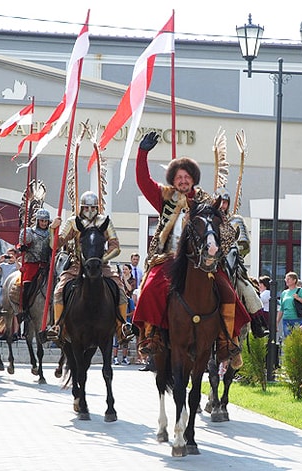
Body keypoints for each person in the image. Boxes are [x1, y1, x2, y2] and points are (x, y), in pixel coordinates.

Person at [132, 131, 250, 368]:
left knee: (227, 292)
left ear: (193, 178)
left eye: (186, 177)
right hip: (168, 257)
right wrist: (142, 153)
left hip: (200, 260)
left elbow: (223, 229)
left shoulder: (206, 200)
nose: (183, 180)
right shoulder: (165, 196)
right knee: (152, 287)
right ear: (172, 180)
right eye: (178, 177)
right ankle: (151, 335)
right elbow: (143, 181)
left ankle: (228, 340)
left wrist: (218, 249)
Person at [47, 191, 133, 344]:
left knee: (120, 289)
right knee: (59, 290)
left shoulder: (104, 221)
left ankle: (122, 328)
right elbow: (55, 244)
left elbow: (115, 247)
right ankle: (58, 326)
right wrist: (53, 229)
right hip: (77, 265)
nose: (90, 211)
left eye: (93, 207)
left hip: (101, 265)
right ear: (81, 208)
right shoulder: (74, 222)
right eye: (86, 208)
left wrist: (100, 259)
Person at [217, 188, 268, 338]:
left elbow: (245, 245)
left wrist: (231, 249)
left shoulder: (236, 220)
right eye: (219, 203)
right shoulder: (210, 221)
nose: (222, 206)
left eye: (225, 203)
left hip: (233, 267)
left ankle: (258, 324)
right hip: (212, 266)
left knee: (248, 291)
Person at [16, 208, 51, 321]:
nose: (44, 223)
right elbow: (20, 245)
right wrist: (22, 247)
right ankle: (25, 310)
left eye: (46, 221)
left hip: (46, 264)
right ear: (37, 221)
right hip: (32, 265)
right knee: (28, 286)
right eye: (42, 221)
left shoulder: (50, 233)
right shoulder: (29, 232)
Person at [277, 272, 302, 341]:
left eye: (288, 279)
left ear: (294, 280)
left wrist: (298, 298)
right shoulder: (284, 293)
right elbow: (281, 308)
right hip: (286, 319)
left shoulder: (301, 291)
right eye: (286, 279)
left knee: (298, 339)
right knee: (288, 340)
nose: (286, 280)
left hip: (297, 319)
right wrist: (277, 322)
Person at [113, 263, 136, 365]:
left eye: (126, 269)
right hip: (119, 302)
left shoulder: (132, 280)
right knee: (115, 339)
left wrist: (125, 280)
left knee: (125, 338)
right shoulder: (119, 279)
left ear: (130, 270)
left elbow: (130, 289)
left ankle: (125, 357)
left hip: (128, 301)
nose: (124, 271)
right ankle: (115, 358)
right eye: (123, 269)